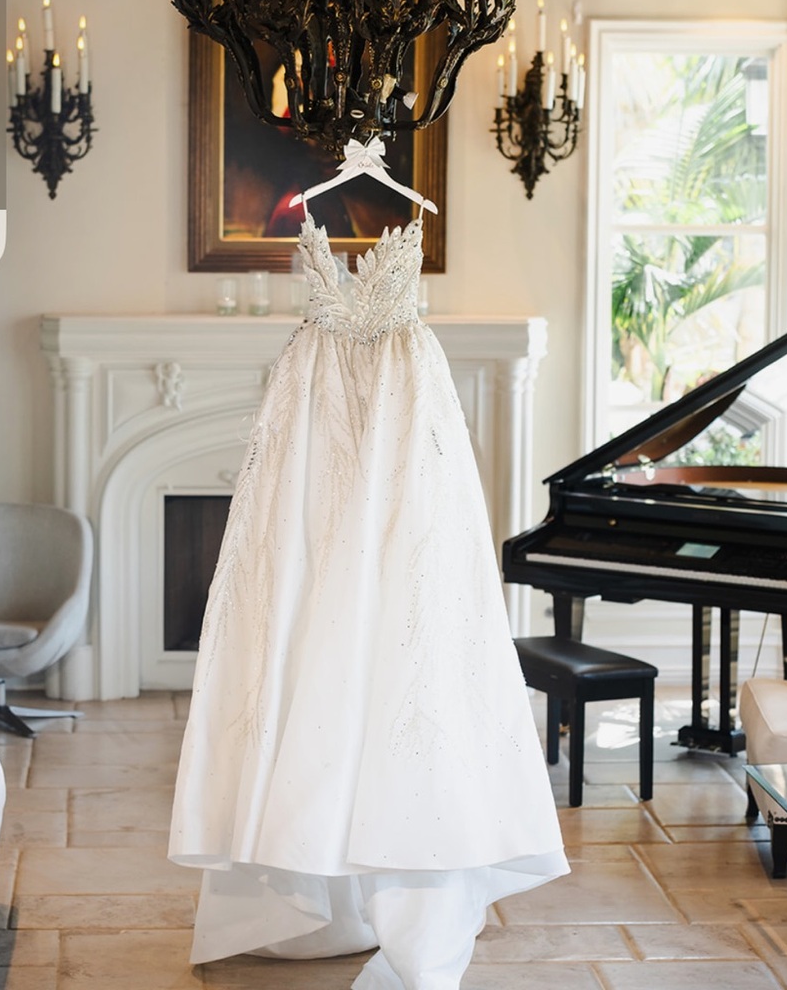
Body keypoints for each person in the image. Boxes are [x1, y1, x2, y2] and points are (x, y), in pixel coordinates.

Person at [169, 145, 568, 989]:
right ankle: (315, 863)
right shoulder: (317, 215)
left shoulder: (411, 214)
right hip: (313, 417)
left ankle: (402, 877)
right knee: (306, 609)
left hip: (401, 408)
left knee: (404, 619)